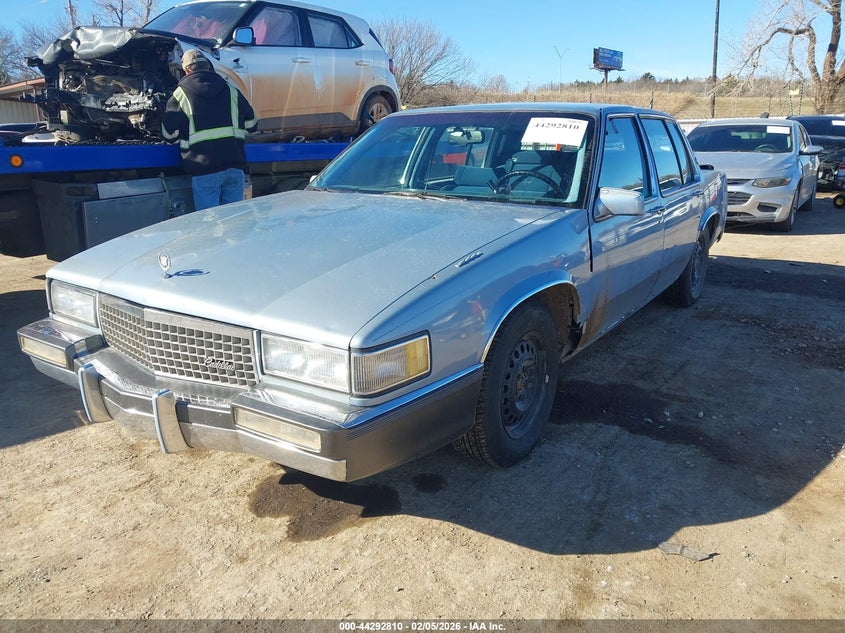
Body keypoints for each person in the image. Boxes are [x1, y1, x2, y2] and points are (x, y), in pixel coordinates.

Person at [162, 49, 257, 210]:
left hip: (204, 171)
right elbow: (252, 124)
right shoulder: (231, 90)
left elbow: (169, 134)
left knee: (210, 224)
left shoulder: (180, 95)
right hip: (234, 167)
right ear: (208, 66)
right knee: (234, 222)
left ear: (186, 70)